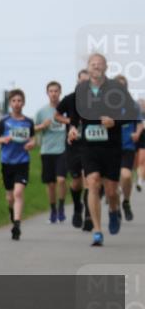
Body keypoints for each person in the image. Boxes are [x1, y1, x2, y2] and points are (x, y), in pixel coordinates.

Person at [63, 54, 136, 246]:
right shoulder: (82, 89)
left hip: (111, 146)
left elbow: (132, 113)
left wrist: (115, 122)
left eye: (99, 64)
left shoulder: (116, 89)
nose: (96, 67)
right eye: (92, 64)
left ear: (106, 67)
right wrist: (72, 127)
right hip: (88, 145)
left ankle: (113, 211)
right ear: (88, 67)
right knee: (93, 182)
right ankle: (97, 230)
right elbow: (74, 114)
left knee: (112, 191)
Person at [0, 90, 36, 240]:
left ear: (23, 103)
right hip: (7, 162)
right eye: (14, 101)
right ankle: (12, 213)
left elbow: (33, 139)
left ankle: (17, 224)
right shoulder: (4, 121)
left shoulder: (28, 122)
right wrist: (3, 139)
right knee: (10, 197)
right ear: (10, 103)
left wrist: (31, 144)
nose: (17, 103)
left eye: (19, 100)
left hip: (22, 161)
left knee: (18, 193)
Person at [55, 70, 91, 231]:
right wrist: (69, 121)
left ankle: (89, 215)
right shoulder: (70, 99)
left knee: (90, 181)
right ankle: (78, 207)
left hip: (91, 145)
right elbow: (57, 115)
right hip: (73, 145)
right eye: (82, 81)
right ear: (78, 81)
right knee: (76, 183)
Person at [34, 81, 68, 223]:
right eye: (51, 91)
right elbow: (33, 129)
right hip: (47, 150)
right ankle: (53, 209)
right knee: (51, 184)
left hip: (63, 150)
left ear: (60, 92)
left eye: (56, 91)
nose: (53, 94)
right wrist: (43, 125)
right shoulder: (41, 112)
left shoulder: (66, 109)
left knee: (61, 180)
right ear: (47, 93)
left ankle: (61, 207)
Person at [114, 75, 143, 220]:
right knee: (113, 181)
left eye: (123, 85)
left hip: (127, 146)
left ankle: (126, 201)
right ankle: (116, 207)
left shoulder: (132, 105)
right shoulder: (107, 104)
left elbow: (139, 122)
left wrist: (137, 133)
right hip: (110, 147)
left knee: (125, 176)